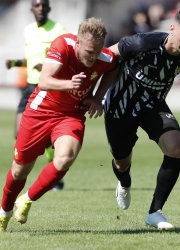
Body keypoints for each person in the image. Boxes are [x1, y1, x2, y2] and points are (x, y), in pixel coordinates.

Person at [0, 17, 118, 232]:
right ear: (78, 42)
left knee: (65, 158)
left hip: (71, 115)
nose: (93, 57)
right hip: (40, 112)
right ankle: (4, 212)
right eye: (88, 52)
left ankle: (26, 200)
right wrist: (68, 84)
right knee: (19, 172)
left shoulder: (104, 56)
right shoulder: (62, 44)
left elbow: (113, 68)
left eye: (97, 51)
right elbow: (44, 81)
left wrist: (98, 97)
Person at [102, 9, 180, 230]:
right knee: (122, 162)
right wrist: (92, 94)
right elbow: (107, 56)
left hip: (153, 106)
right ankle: (124, 182)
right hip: (121, 107)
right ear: (172, 29)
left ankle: (155, 212)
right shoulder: (140, 44)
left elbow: (168, 76)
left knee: (176, 148)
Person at [5, 0, 67, 191]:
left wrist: (49, 67)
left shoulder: (59, 30)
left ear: (49, 8)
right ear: (32, 8)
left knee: (46, 136)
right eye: (37, 5)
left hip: (47, 88)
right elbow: (30, 59)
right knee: (19, 132)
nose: (41, 8)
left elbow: (68, 57)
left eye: (44, 5)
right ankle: (43, 165)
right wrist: (16, 63)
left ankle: (53, 174)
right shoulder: (28, 30)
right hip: (29, 87)